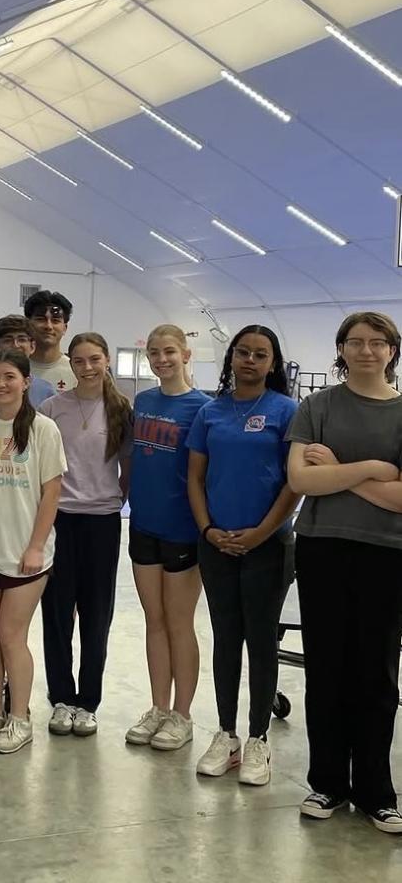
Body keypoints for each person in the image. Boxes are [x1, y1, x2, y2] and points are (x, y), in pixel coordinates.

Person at [287, 311, 402, 834]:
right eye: (355, 342)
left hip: (386, 552)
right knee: (327, 667)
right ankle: (328, 782)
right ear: (341, 349)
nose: (366, 351)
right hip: (323, 548)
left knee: (377, 673)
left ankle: (377, 791)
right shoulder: (317, 407)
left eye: (377, 342)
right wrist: (374, 470)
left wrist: (337, 471)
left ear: (392, 350)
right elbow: (300, 479)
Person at [187, 327, 299, 785]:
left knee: (261, 640)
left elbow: (294, 483)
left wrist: (260, 534)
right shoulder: (210, 412)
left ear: (273, 364)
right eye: (243, 352)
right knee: (226, 638)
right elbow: (195, 479)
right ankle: (227, 734)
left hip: (268, 546)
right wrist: (208, 530)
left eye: (260, 354)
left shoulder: (286, 411)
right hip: (217, 545)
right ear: (231, 358)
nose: (250, 360)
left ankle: (258, 739)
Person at [0, 351, 65, 754]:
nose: (1, 384)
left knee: (11, 636)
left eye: (9, 377)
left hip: (27, 554)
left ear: (26, 382)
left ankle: (19, 718)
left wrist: (36, 546)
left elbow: (52, 492)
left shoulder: (44, 429)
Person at [40, 333, 133, 738]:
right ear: (70, 364)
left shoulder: (121, 409)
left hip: (102, 522)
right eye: (78, 361)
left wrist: (109, 501)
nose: (87, 367)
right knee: (57, 612)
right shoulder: (51, 409)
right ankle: (61, 698)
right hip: (59, 519)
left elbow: (127, 470)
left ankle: (88, 701)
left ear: (107, 360)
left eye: (94, 359)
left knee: (96, 616)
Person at [125, 324, 210, 751]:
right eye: (154, 353)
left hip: (182, 530)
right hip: (143, 524)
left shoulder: (203, 407)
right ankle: (159, 707)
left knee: (179, 623)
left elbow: (205, 473)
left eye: (170, 352)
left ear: (186, 354)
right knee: (154, 621)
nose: (162, 359)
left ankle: (183, 714)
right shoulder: (143, 401)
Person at [24, 289, 75, 393]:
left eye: (55, 320)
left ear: (65, 328)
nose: (48, 326)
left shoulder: (76, 371)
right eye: (41, 319)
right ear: (28, 324)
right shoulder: (14, 369)